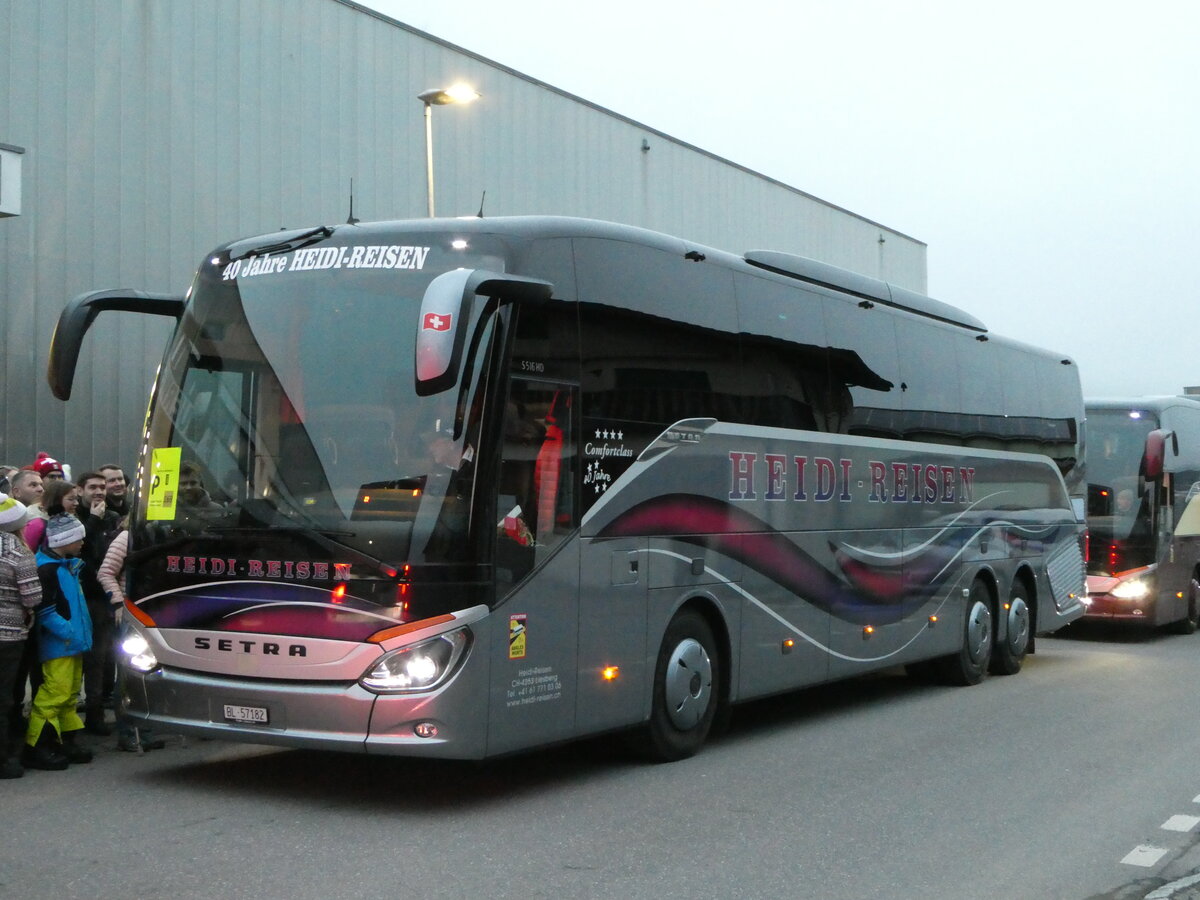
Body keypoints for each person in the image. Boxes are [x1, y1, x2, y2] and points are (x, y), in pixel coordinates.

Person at [25, 514, 93, 770]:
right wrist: (71, 633)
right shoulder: (48, 569)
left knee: (70, 694)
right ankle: (38, 746)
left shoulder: (65, 565)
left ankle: (65, 740)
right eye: (79, 538)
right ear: (64, 540)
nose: (83, 542)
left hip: (71, 643)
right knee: (55, 694)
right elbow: (45, 612)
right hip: (60, 644)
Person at [97, 517, 165, 753]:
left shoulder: (167, 533)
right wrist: (118, 603)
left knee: (150, 672)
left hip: (157, 613)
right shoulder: (126, 538)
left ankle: (146, 729)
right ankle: (128, 733)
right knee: (128, 674)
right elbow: (105, 573)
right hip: (131, 612)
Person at [77, 472, 122, 734]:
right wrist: (93, 521)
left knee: (101, 658)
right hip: (82, 597)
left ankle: (96, 716)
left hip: (102, 599)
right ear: (80, 490)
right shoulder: (77, 518)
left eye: (102, 487)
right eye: (93, 487)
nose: (99, 492)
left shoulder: (113, 518)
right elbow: (81, 551)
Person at [0, 494, 40, 778]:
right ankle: (4, 759)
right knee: (4, 697)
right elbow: (32, 597)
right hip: (9, 635)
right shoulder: (19, 554)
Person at [22, 478, 79, 553]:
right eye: (71, 499)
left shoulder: (72, 519)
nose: (76, 503)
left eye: (77, 499)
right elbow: (28, 552)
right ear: (55, 500)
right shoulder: (37, 524)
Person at [9, 469, 45, 536]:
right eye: (33, 485)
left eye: (41, 485)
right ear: (16, 492)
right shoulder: (6, 522)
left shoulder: (48, 516)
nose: (41, 489)